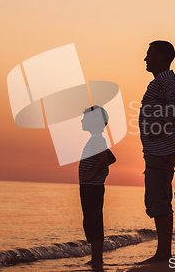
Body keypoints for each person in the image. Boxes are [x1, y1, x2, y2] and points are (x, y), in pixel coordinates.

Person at [138, 40, 175, 264]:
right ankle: (164, 252)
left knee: (158, 200)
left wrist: (160, 129)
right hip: (160, 149)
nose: (145, 59)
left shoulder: (164, 80)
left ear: (159, 57)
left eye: (149, 54)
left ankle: (163, 254)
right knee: (160, 199)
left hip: (162, 150)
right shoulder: (162, 81)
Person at [78, 105, 113, 269]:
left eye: (85, 118)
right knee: (92, 220)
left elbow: (105, 160)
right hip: (93, 187)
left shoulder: (95, 139)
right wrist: (99, 173)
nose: (82, 120)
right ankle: (96, 258)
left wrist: (92, 176)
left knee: (92, 221)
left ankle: (97, 259)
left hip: (91, 187)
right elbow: (110, 158)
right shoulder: (98, 139)